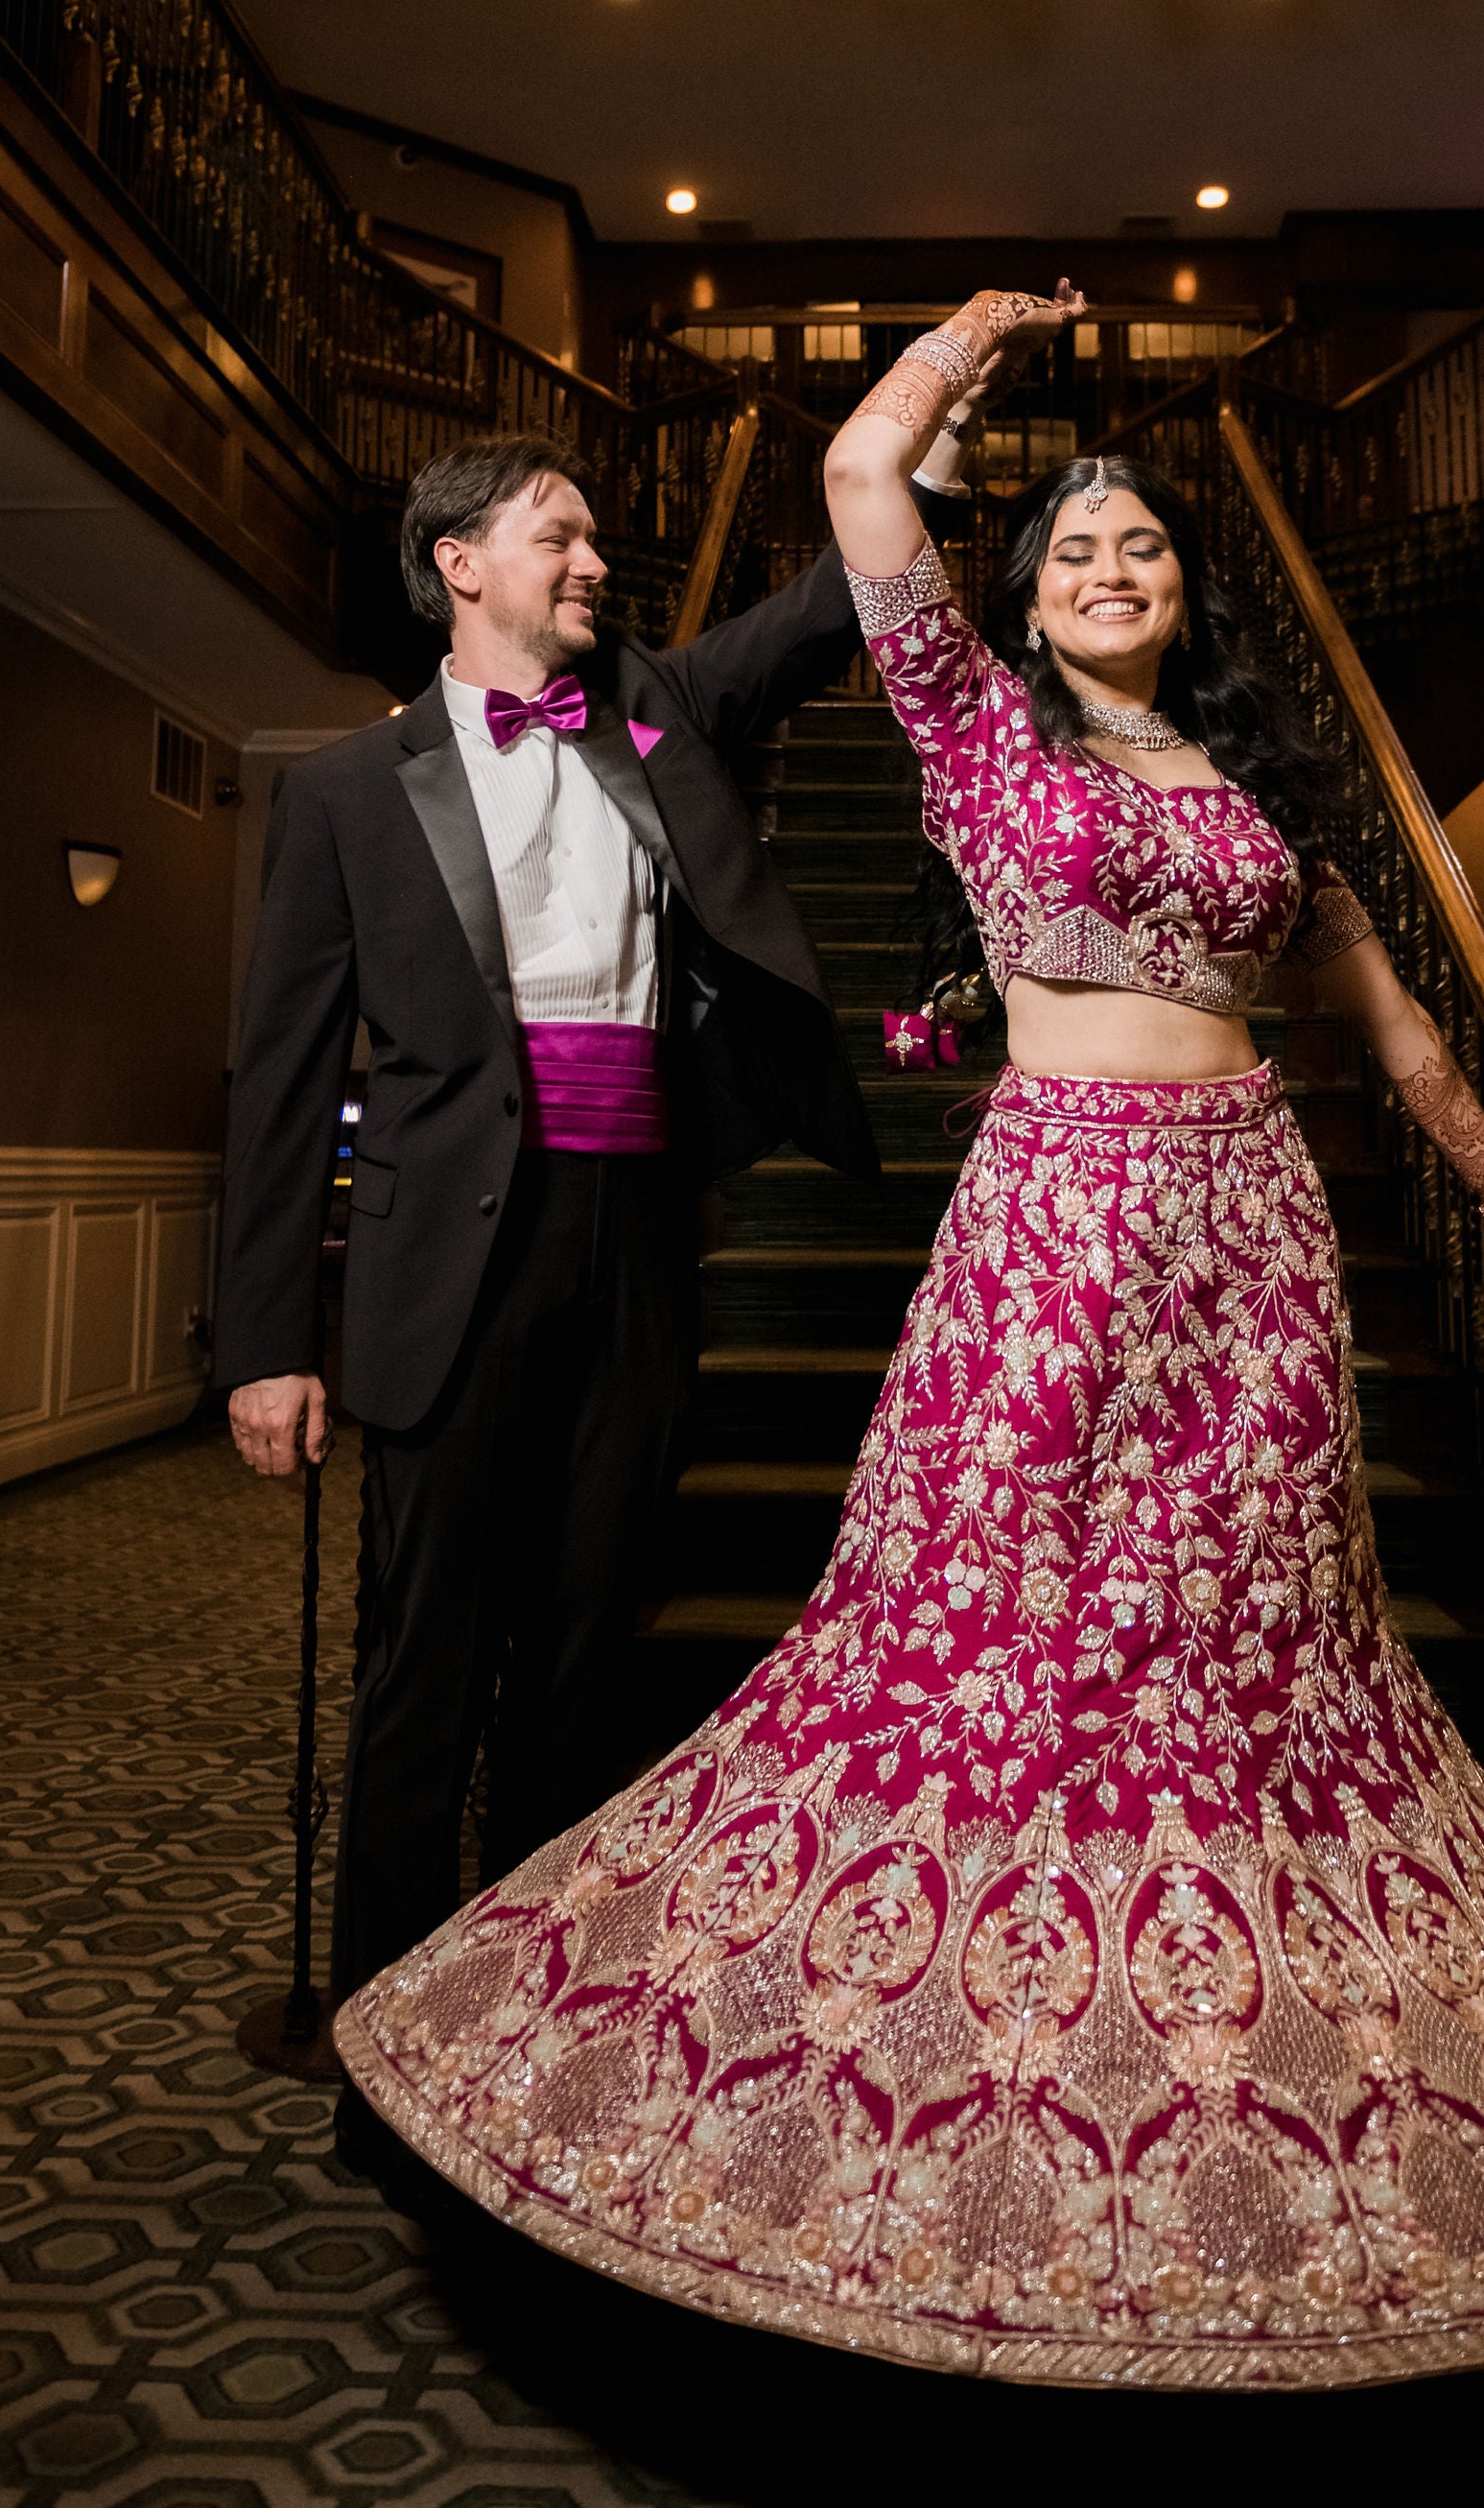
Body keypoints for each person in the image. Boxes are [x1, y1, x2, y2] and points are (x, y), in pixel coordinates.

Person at [335, 299, 1484, 2385]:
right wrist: (947, 361)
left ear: (1187, 595)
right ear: (1025, 601)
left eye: (1143, 552)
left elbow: (1377, 1016)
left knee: (1251, 1654)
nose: (1110, 573)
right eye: (1074, 554)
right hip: (1053, 1223)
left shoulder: (1265, 782)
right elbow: (854, 491)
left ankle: (1231, 2095)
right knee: (986, 1637)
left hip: (1248, 1240)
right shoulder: (977, 730)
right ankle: (967, 2065)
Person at [214, 435, 877, 2157]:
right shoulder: (349, 792)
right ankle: (384, 2062)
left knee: (589, 1661)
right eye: (557, 534)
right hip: (452, 1265)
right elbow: (282, 1080)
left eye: (591, 537)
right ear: (459, 562)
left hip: (639, 1238)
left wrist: (916, 425)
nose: (593, 561)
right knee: (425, 1662)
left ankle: (533, 2048)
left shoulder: (656, 705)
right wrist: (271, 1343)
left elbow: (820, 614)